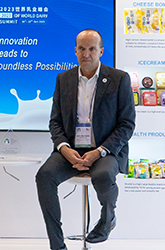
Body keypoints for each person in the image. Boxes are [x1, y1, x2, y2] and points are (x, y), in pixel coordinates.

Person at [35, 29, 136, 249]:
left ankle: (107, 220)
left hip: (105, 150)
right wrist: (64, 149)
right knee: (44, 176)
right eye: (81, 49)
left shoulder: (119, 79)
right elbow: (55, 122)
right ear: (75, 51)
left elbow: (127, 124)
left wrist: (99, 152)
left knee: (102, 175)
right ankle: (57, 245)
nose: (86, 54)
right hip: (70, 150)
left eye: (91, 49)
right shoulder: (63, 79)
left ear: (101, 51)